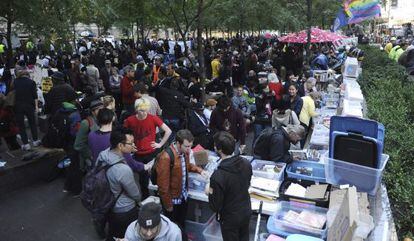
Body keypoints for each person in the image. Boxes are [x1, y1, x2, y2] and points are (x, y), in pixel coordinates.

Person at [156, 129, 205, 238]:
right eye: (187, 146)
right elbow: (163, 186)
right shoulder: (166, 157)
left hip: (183, 196)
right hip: (172, 201)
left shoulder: (185, 153)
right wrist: (168, 205)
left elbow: (187, 166)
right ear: (178, 143)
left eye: (190, 146)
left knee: (181, 224)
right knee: (172, 228)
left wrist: (199, 170)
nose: (189, 149)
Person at [96, 128, 141, 241]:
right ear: (120, 145)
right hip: (124, 210)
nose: (133, 145)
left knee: (113, 231)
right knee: (124, 235)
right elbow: (135, 193)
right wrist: (139, 200)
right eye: (131, 143)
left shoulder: (103, 154)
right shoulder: (123, 170)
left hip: (108, 202)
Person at [206, 131, 252, 241]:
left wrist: (208, 190)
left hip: (230, 218)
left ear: (219, 149)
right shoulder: (246, 163)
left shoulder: (218, 176)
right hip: (246, 210)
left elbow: (215, 206)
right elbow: (247, 184)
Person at [124, 98, 172, 199]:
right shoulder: (130, 120)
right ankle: (145, 199)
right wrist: (130, 145)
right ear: (136, 109)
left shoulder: (153, 118)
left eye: (146, 110)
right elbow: (123, 135)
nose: (144, 113)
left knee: (156, 176)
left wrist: (160, 144)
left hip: (152, 153)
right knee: (143, 180)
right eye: (142, 110)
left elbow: (168, 131)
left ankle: (158, 196)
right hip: (138, 154)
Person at [13, 64, 40, 150]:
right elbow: (35, 96)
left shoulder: (15, 82)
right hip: (29, 105)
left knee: (21, 126)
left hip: (18, 106)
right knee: (32, 123)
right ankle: (35, 141)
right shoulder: (31, 82)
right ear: (26, 74)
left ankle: (26, 144)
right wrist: (36, 107)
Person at [74, 99, 103, 170]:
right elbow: (78, 145)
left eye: (103, 109)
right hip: (90, 158)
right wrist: (90, 155)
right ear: (93, 112)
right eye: (99, 110)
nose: (102, 111)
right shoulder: (86, 123)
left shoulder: (103, 120)